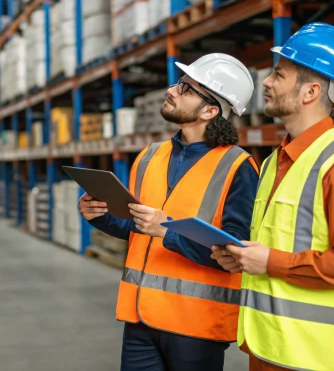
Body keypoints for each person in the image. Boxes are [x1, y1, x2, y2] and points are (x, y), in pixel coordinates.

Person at [211, 23, 334, 371]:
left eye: (278, 74)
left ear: (309, 93)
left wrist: (269, 262)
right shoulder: (273, 162)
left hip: (321, 359)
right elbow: (280, 243)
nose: (266, 81)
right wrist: (243, 257)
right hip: (272, 350)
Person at [79, 53, 258, 371]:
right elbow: (135, 226)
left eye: (186, 88)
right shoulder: (150, 156)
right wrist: (101, 215)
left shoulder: (237, 166)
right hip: (140, 318)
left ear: (210, 110)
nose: (171, 90)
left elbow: (235, 252)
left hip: (196, 325)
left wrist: (168, 230)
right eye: (178, 84)